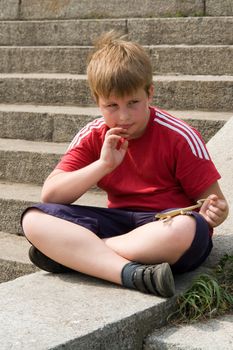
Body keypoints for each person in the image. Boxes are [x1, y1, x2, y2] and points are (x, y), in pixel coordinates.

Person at [21, 31, 229, 298]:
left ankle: (78, 254)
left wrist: (216, 212)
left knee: (187, 228)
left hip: (165, 225)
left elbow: (214, 205)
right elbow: (50, 195)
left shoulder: (179, 136)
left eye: (133, 103)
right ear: (97, 101)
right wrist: (104, 164)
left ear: (149, 93)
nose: (123, 116)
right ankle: (129, 272)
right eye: (111, 105)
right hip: (120, 223)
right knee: (34, 219)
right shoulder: (93, 135)